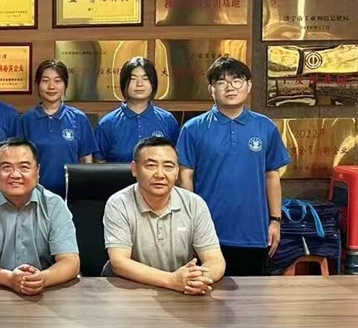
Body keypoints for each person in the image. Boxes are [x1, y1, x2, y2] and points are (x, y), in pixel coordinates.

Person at [177, 56, 289, 276]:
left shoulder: (265, 127)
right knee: (204, 291)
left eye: (236, 80)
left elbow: (272, 176)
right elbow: (185, 177)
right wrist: (190, 222)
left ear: (248, 86)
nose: (229, 87)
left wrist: (275, 220)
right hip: (207, 233)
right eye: (221, 82)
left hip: (254, 232)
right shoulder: (193, 129)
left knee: (253, 294)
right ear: (211, 89)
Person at [104, 136, 225, 294]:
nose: (160, 174)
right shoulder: (119, 203)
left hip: (181, 293)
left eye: (168, 166)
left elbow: (215, 260)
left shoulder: (194, 203)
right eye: (151, 165)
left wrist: (195, 280)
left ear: (177, 172)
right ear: (134, 169)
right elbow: (119, 262)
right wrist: (171, 280)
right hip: (131, 291)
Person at [0, 138, 79, 294]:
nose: (15, 175)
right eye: (6, 167)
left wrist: (41, 279)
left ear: (37, 171)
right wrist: (9, 279)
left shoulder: (54, 205)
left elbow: (70, 261)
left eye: (24, 167)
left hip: (45, 293)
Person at [20, 59, 97, 197]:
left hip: (71, 195)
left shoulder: (79, 118)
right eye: (45, 81)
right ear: (37, 84)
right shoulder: (26, 120)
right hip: (34, 195)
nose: (51, 86)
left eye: (57, 81)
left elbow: (86, 160)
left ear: (65, 84)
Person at [96, 56, 180, 163]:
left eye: (145, 79)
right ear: (124, 83)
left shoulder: (167, 120)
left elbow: (176, 158)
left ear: (153, 83)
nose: (139, 84)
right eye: (133, 79)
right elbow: (99, 162)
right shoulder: (108, 123)